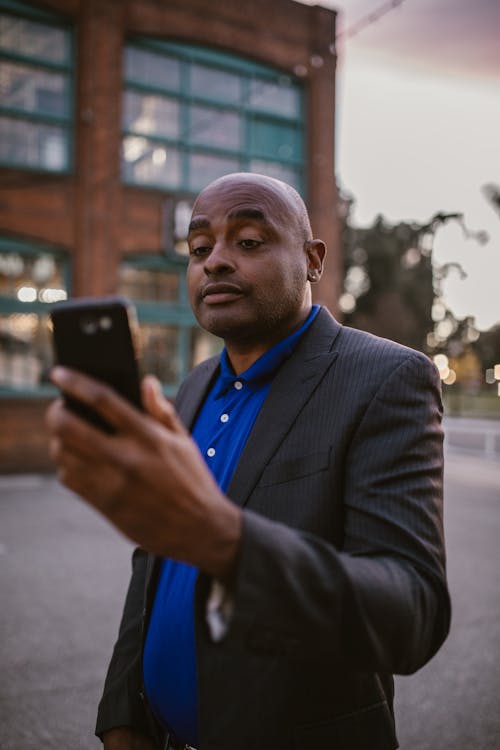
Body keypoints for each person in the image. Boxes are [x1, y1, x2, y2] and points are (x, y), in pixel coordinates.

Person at [46, 172, 450, 750]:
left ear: (312, 259)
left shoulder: (386, 379)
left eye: (249, 242)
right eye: (200, 248)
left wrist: (223, 539)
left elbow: (412, 612)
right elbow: (154, 558)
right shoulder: (194, 386)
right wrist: (123, 712)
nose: (215, 262)